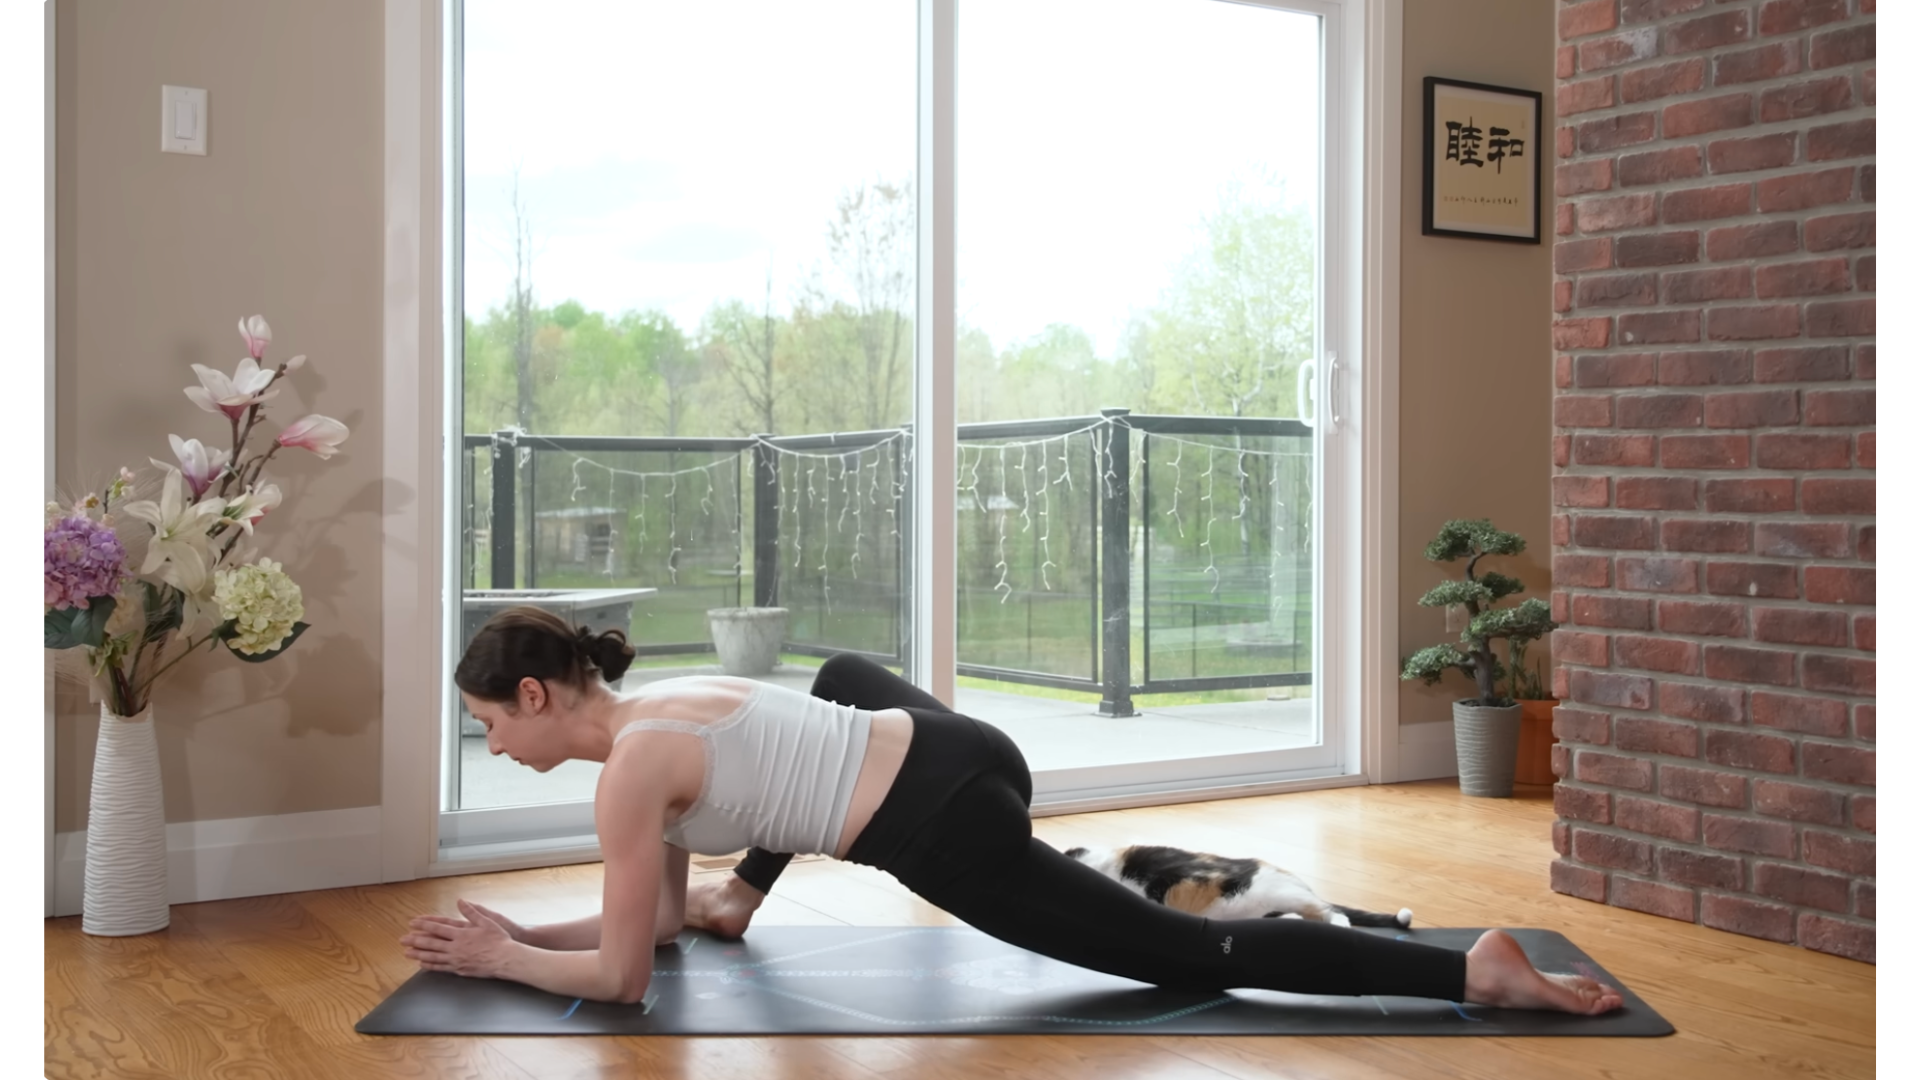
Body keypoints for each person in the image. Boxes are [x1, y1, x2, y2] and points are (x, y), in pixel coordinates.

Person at [402, 607, 1624, 1014]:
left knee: (1197, 963)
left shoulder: (628, 778)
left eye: (489, 727)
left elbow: (621, 981)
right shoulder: (663, 707)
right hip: (951, 742)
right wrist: (526, 938)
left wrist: (503, 952)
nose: (494, 748)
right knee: (830, 680)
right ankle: (751, 890)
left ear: (529, 696)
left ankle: (1474, 973)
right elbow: (653, 936)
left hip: (950, 828)